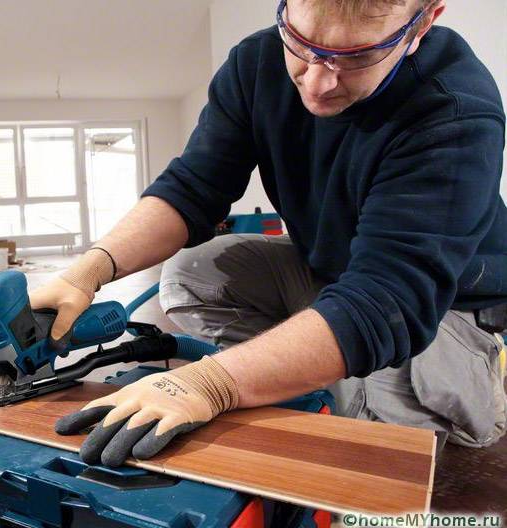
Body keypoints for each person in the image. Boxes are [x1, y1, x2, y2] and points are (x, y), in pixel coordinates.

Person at [31, 0, 507, 468]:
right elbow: (193, 188)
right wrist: (88, 271)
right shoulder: (256, 63)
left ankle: (444, 381)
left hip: (438, 308)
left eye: (359, 56)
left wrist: (212, 384)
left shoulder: (455, 109)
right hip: (337, 275)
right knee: (192, 273)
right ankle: (309, 360)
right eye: (301, 43)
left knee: (363, 451)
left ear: (422, 24)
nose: (317, 83)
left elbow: (387, 302)